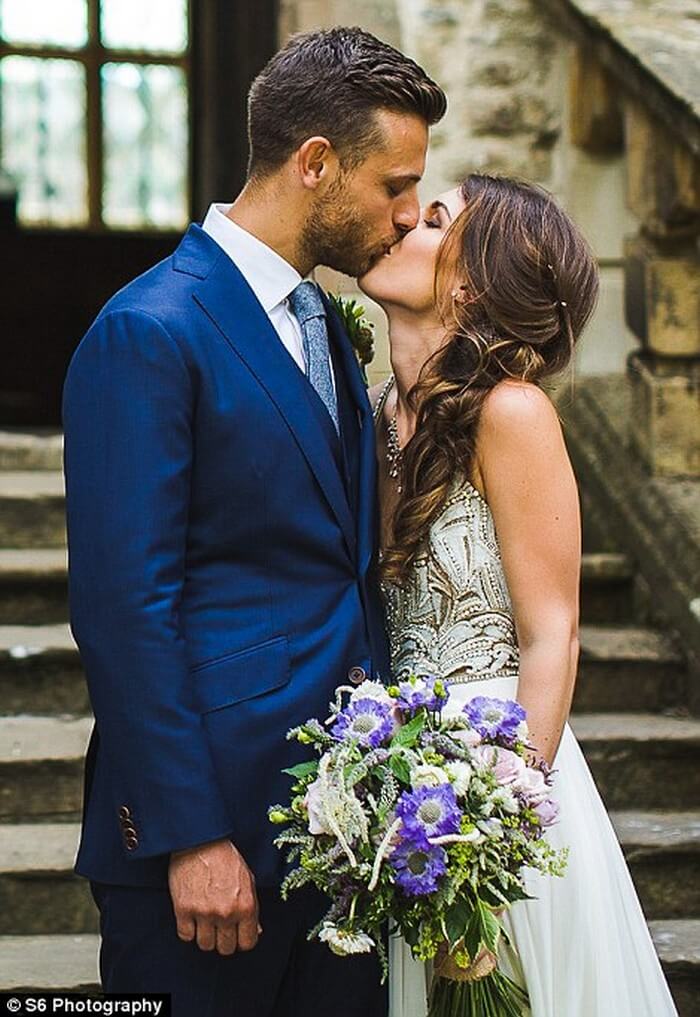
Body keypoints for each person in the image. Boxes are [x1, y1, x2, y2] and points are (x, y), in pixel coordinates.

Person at [62, 27, 446, 1017]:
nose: (408, 217)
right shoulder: (149, 330)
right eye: (393, 186)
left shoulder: (322, 322)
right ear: (314, 163)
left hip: (344, 837)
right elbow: (122, 607)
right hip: (210, 846)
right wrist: (192, 835)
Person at [360, 173, 679, 1017]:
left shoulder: (513, 413)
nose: (402, 222)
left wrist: (495, 833)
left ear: (469, 283)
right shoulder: (376, 410)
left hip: (498, 779)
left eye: (433, 219)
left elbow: (552, 636)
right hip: (401, 774)